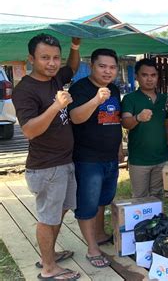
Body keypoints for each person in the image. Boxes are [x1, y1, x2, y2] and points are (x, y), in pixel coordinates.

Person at [12, 34, 81, 280]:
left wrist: (74, 46)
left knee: (59, 212)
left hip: (64, 161)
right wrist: (56, 106)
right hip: (46, 167)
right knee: (47, 217)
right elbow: (29, 130)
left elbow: (72, 68)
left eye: (55, 58)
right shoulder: (25, 90)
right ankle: (49, 269)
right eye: (44, 58)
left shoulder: (55, 78)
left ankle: (47, 255)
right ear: (31, 59)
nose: (52, 63)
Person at [68, 48, 123, 268]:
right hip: (88, 159)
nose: (107, 71)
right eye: (102, 66)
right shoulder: (80, 88)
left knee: (103, 200)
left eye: (112, 67)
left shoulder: (115, 89)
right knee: (88, 205)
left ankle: (99, 235)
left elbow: (115, 119)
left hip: (110, 157)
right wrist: (96, 99)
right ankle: (92, 249)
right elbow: (75, 117)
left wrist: (119, 147)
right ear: (92, 66)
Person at [122, 58, 168, 198]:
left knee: (158, 196)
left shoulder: (164, 99)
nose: (149, 79)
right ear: (137, 77)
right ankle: (142, 221)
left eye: (153, 75)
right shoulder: (130, 98)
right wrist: (138, 118)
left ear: (157, 77)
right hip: (139, 160)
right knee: (140, 198)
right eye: (145, 75)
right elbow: (125, 123)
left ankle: (156, 221)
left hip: (162, 158)